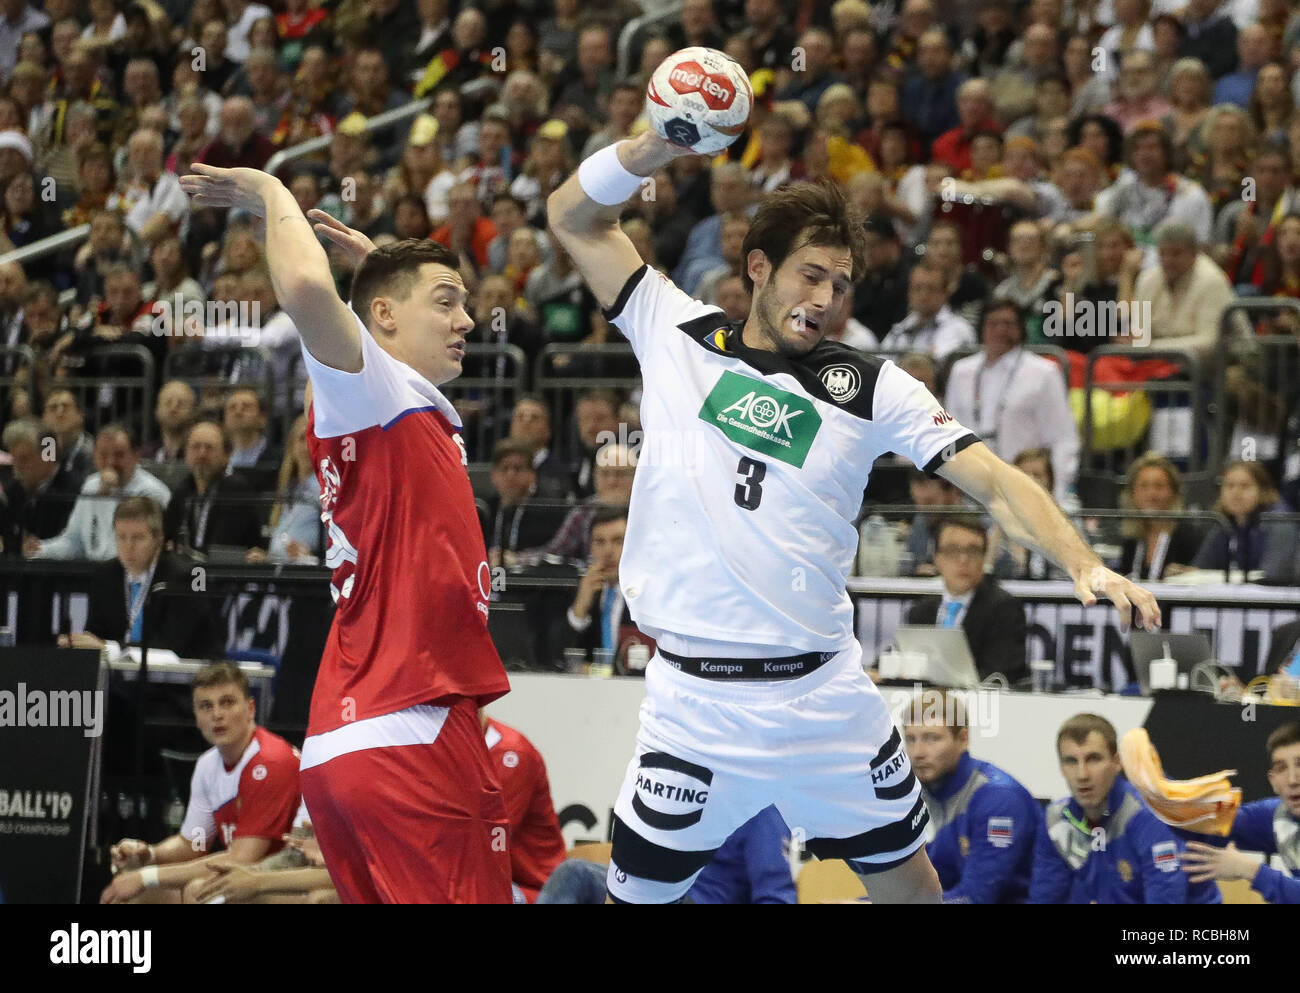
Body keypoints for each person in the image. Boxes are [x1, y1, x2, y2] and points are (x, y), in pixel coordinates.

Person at [547, 129, 1161, 905]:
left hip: (824, 698)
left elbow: (997, 481)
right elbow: (571, 217)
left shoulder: (871, 386)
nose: (824, 298)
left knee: (914, 896)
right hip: (692, 705)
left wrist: (1085, 561)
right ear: (758, 267)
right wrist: (655, 141)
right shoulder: (676, 333)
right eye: (810, 274)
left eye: (839, 284)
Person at [180, 161, 512, 904]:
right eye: (447, 302)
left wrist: (385, 278)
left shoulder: (393, 408)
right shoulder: (376, 390)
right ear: (385, 320)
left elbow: (356, 322)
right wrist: (270, 194)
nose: (467, 320)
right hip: (412, 728)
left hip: (348, 738)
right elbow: (303, 291)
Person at [100, 662, 301, 903]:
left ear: (251, 709)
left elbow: (242, 859)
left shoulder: (271, 762)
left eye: (227, 702)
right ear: (196, 717)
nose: (217, 714)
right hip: (247, 879)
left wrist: (147, 876)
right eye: (206, 706)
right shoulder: (207, 765)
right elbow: (193, 843)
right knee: (136, 896)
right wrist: (148, 855)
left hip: (291, 880)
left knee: (198, 891)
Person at [1029, 714, 1221, 904]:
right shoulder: (1056, 820)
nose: (1082, 774)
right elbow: (1044, 897)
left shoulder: (1149, 816)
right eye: (1071, 761)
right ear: (1061, 767)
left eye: (1093, 759)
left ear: (1117, 762)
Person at [903, 689, 1041, 902]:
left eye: (932, 738)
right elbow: (913, 890)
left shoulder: (999, 800)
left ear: (963, 738)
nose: (918, 752)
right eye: (911, 739)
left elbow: (976, 898)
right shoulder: (918, 795)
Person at [944, 300, 1079, 504]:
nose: (1000, 330)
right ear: (982, 328)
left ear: (1021, 329)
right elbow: (949, 431)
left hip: (1024, 486)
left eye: (1008, 324)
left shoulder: (1043, 372)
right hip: (971, 488)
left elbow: (1063, 438)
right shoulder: (962, 371)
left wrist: (1056, 494)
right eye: (993, 323)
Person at [537, 805, 797, 904]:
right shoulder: (693, 793)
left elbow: (778, 894)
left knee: (577, 874)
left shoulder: (762, 810)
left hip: (696, 900)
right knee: (574, 872)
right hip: (661, 889)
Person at [60, 496, 218, 656]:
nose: (128, 546)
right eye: (121, 537)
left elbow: (170, 646)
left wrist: (109, 648)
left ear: (158, 540)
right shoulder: (105, 576)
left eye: (138, 538)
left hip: (183, 675)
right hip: (124, 674)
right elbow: (96, 634)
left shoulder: (189, 577)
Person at [1182, 722, 1300, 903]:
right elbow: (1206, 822)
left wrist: (1249, 870)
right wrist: (1156, 786)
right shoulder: (1277, 816)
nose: (1293, 779)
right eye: (1281, 768)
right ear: (1273, 781)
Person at [905, 519, 1029, 684]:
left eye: (973, 551)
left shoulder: (1003, 608)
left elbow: (1001, 672)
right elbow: (905, 659)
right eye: (952, 550)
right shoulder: (921, 611)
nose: (963, 560)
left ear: (984, 558)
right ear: (937, 558)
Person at [25, 424, 172, 561]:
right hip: (92, 575)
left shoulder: (151, 492)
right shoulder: (91, 485)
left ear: (136, 455)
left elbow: (135, 551)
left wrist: (109, 496)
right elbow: (73, 542)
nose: (110, 462)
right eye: (103, 455)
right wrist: (41, 549)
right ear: (94, 455)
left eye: (119, 455)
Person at [482, 713, 568, 903]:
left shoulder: (513, 752)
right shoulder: (443, 750)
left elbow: (488, 843)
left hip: (540, 891)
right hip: (496, 882)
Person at [561, 506, 654, 673]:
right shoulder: (583, 591)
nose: (608, 552)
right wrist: (579, 611)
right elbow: (559, 660)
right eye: (600, 542)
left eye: (618, 541)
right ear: (590, 548)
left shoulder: (650, 595)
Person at [162, 420, 267, 558]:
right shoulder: (183, 491)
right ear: (186, 453)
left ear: (226, 455)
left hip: (224, 574)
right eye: (196, 447)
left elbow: (223, 545)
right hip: (190, 574)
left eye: (209, 448)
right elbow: (166, 539)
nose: (202, 454)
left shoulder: (236, 489)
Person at [1116, 451, 1201, 580]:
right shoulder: (1131, 537)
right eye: (1144, 486)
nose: (1151, 494)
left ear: (1174, 492)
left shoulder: (1188, 535)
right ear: (1132, 493)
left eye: (1159, 486)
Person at [1, 418, 81, 553]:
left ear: (48, 455)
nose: (17, 467)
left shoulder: (73, 491)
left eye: (24, 459)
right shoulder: (12, 491)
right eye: (14, 459)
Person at [481, 439, 559, 568]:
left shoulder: (546, 512)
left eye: (518, 469)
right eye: (504, 468)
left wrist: (518, 559)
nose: (510, 475)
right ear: (493, 476)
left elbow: (551, 553)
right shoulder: (484, 510)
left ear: (532, 475)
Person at [879, 261, 977, 361]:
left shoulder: (959, 329)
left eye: (931, 289)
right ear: (909, 292)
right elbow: (880, 362)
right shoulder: (900, 329)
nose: (923, 295)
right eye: (917, 288)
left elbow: (935, 364)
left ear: (945, 293)